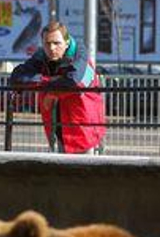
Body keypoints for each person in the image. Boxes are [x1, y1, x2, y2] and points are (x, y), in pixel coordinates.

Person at [9, 21, 106, 154]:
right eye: (47, 44)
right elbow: (17, 78)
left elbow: (74, 82)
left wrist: (51, 93)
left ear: (66, 43)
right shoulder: (41, 56)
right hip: (57, 127)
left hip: (84, 129)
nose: (52, 48)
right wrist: (49, 82)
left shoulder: (80, 56)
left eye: (56, 43)